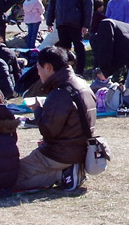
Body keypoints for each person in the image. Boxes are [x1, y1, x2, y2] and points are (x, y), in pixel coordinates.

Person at [15, 45, 100, 191]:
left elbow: (48, 130)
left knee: (10, 179)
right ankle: (68, 170)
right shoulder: (81, 84)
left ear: (48, 67)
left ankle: (63, 175)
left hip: (59, 153)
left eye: (38, 68)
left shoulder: (61, 92)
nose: (38, 73)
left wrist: (37, 110)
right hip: (79, 149)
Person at [46, 0, 95, 73]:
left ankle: (80, 71)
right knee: (64, 50)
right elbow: (52, 3)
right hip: (62, 22)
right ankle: (66, 71)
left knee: (79, 48)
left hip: (76, 24)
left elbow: (88, 5)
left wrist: (86, 24)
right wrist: (49, 21)